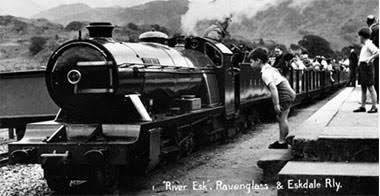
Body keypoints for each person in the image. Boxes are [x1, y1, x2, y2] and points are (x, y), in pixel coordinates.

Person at [248, 48, 296, 149]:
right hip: (288, 91)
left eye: (251, 62)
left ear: (258, 61)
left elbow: (273, 89)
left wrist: (276, 104)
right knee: (282, 118)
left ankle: (282, 142)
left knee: (282, 118)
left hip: (284, 93)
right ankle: (282, 140)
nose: (250, 64)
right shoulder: (269, 68)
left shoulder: (265, 73)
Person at [353, 28, 379, 113]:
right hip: (363, 67)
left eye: (359, 36)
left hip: (367, 66)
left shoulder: (369, 44)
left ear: (362, 37)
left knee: (371, 87)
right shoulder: (364, 45)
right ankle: (363, 106)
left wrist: (370, 59)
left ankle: (374, 107)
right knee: (363, 87)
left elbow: (377, 52)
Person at [367, 15, 379, 101]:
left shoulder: (373, 29)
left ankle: (376, 97)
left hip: (376, 56)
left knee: (376, 76)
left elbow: (372, 45)